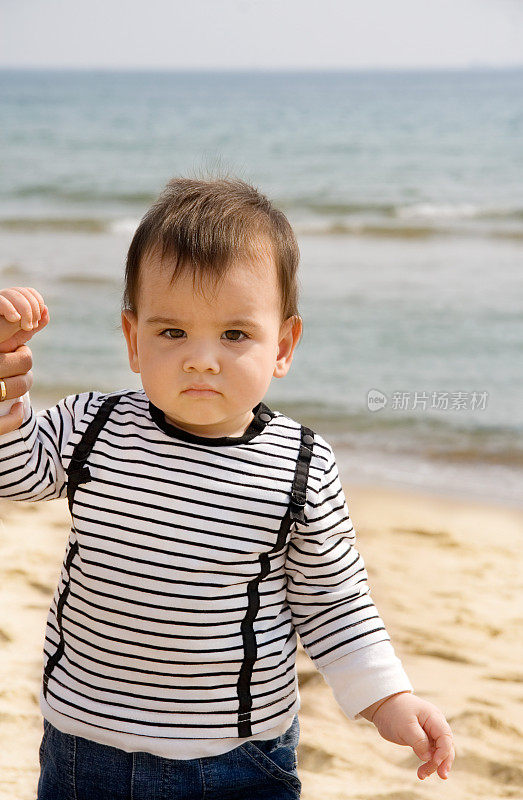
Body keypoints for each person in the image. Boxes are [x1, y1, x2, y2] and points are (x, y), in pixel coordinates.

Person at [0, 177, 454, 799]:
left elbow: (335, 604)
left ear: (283, 345)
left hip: (238, 760)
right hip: (85, 747)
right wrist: (6, 397)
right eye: (171, 332)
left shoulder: (299, 465)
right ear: (132, 340)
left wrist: (388, 698)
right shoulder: (94, 426)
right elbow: (13, 473)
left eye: (235, 335)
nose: (202, 359)